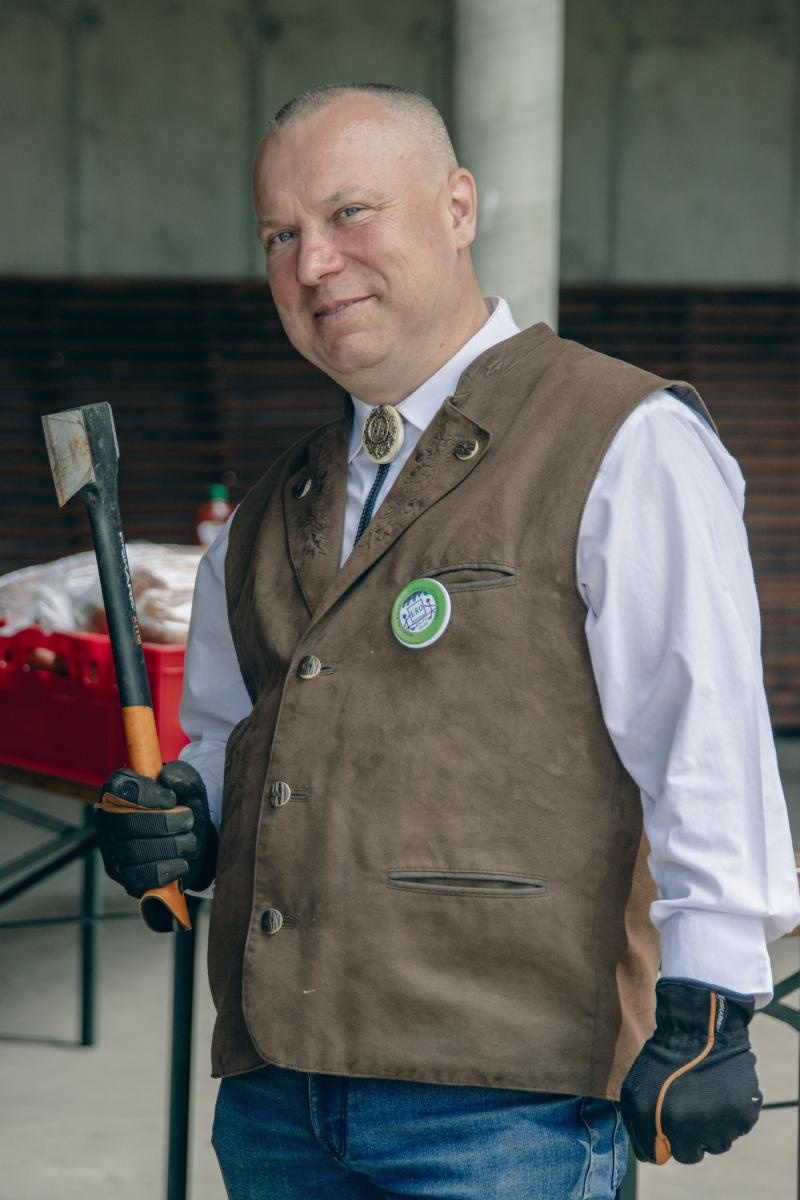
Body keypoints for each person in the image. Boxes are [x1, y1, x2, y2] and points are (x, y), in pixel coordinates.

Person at [96, 83, 800, 1200]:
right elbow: (236, 743)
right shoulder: (266, 513)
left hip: (504, 1110)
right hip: (274, 1100)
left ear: (457, 206)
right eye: (280, 235)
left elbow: (700, 738)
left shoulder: (621, 439)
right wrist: (186, 817)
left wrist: (713, 1001)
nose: (314, 264)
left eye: (348, 214)